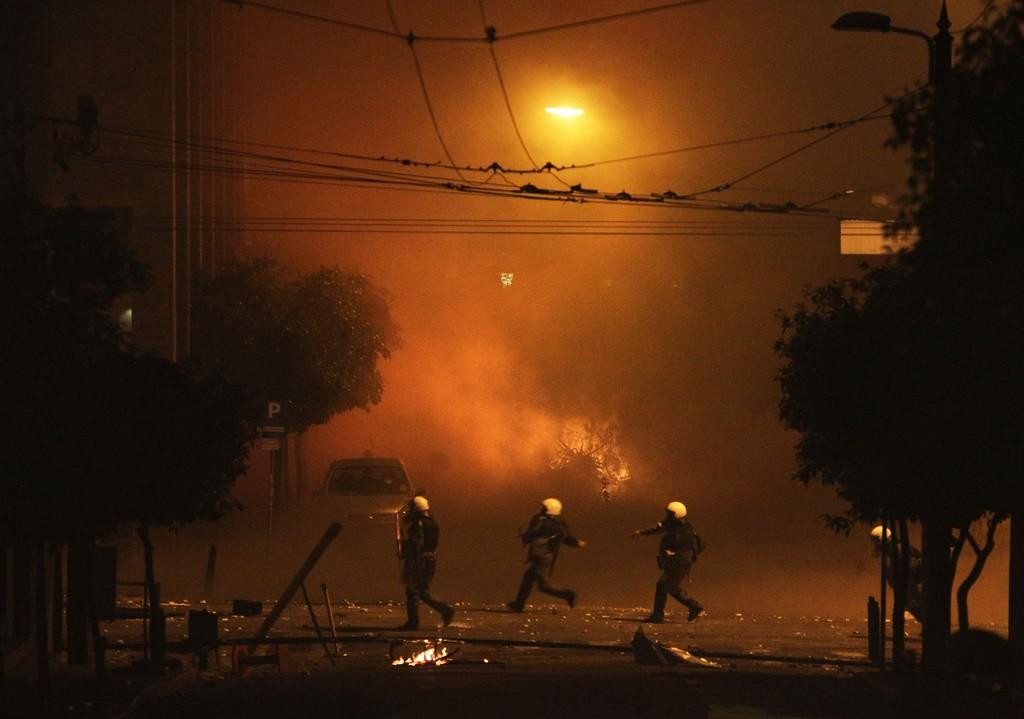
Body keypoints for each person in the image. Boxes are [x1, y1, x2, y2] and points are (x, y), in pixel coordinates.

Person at [507, 498, 586, 612]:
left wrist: (524, 536)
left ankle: (568, 595)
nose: (540, 509)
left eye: (543, 508)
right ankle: (519, 604)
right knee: (528, 579)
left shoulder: (541, 521)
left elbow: (532, 534)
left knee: (542, 585)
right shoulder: (560, 524)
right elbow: (567, 538)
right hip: (547, 556)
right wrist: (577, 543)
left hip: (540, 556)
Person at [633, 501, 705, 623]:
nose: (667, 516)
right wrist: (641, 533)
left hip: (681, 562)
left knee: (667, 586)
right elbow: (658, 528)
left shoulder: (685, 529)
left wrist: (674, 553)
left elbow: (687, 548)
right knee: (663, 586)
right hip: (675, 561)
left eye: (670, 514)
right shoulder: (672, 524)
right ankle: (658, 615)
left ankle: (695, 607)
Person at [396, 495, 455, 630]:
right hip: (430, 558)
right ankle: (444, 610)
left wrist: (404, 550)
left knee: (413, 591)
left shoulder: (419, 524)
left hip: (419, 559)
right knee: (421, 591)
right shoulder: (433, 523)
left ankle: (414, 622)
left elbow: (416, 543)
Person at [870, 524, 924, 623]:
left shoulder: (898, 549)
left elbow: (911, 567)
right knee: (913, 606)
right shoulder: (891, 550)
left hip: (913, 584)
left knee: (916, 606)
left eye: (876, 541)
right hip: (908, 585)